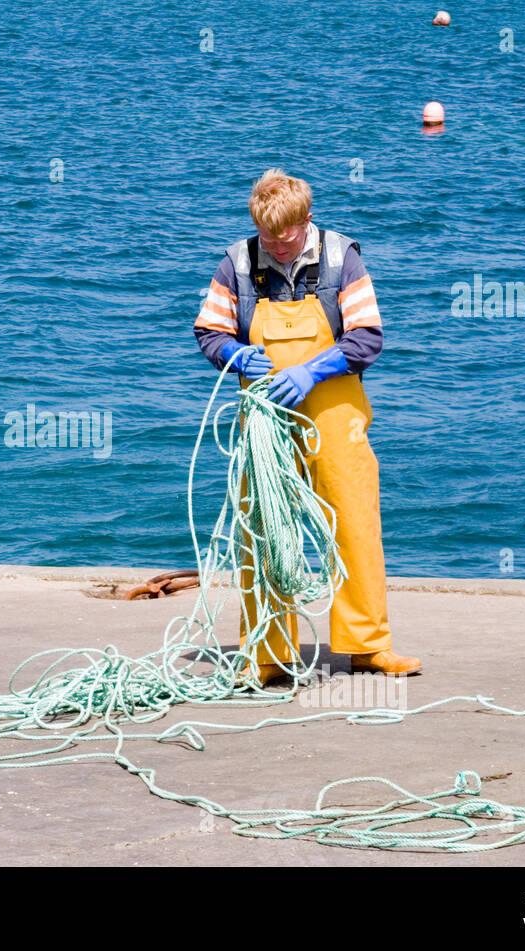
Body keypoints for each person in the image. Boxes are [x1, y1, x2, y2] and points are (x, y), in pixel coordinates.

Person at [193, 168, 422, 680]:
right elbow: (209, 330)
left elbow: (367, 338)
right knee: (265, 529)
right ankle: (267, 654)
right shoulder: (237, 262)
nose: (276, 245)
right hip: (266, 421)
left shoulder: (344, 257)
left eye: (286, 235)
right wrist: (233, 353)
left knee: (355, 522)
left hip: (335, 413)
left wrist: (312, 370)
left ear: (307, 220)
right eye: (267, 235)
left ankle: (368, 646)